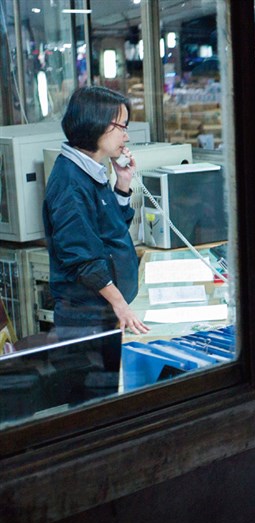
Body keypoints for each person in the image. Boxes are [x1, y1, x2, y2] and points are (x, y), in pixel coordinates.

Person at [43, 86, 149, 341]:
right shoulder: (70, 182)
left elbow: (112, 230)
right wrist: (120, 304)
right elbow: (82, 258)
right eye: (121, 127)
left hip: (105, 311)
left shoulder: (91, 170)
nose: (126, 137)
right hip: (87, 318)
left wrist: (123, 183)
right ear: (97, 124)